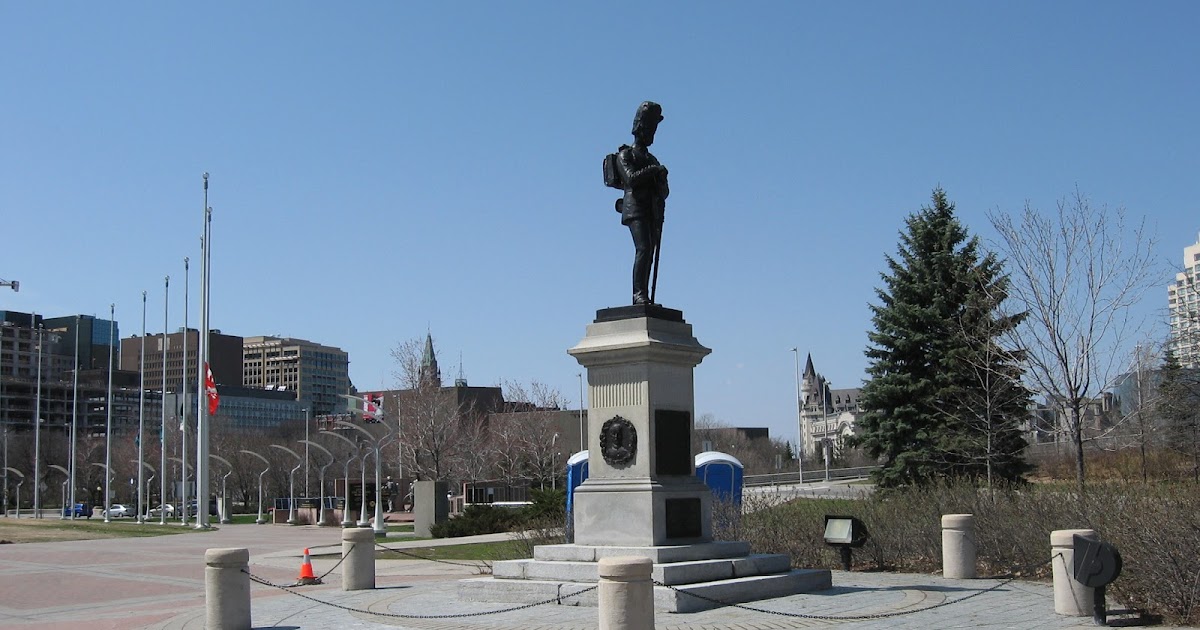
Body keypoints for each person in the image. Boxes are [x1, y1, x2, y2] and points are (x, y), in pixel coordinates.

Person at [616, 101, 669, 305]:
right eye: (649, 128)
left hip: (651, 210)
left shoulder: (652, 159)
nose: (651, 133)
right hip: (634, 208)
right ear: (640, 128)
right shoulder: (625, 154)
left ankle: (643, 294)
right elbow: (630, 179)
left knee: (650, 252)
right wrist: (653, 171)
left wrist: (662, 181)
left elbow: (664, 193)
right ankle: (639, 294)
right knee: (644, 248)